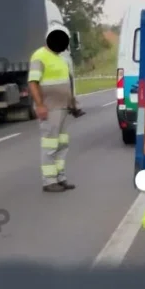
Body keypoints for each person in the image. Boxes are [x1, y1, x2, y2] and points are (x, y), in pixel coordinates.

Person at [28, 29, 85, 193]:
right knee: (50, 145)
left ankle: (60, 178)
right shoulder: (39, 56)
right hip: (50, 108)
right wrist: (40, 105)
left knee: (62, 145)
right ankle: (49, 181)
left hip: (63, 108)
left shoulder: (61, 59)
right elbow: (33, 82)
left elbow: (66, 83)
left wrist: (73, 104)